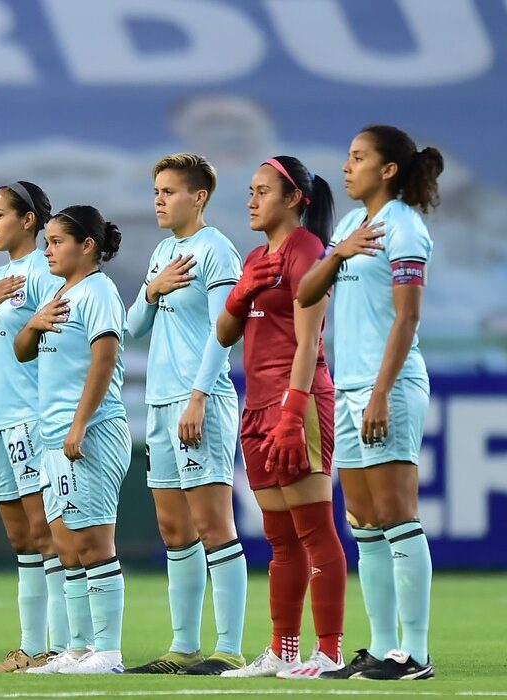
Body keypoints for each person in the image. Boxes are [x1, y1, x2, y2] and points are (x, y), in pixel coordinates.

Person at [297, 125, 443, 681]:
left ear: (387, 170)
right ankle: (383, 648)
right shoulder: (354, 225)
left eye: (357, 158)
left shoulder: (405, 228)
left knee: (396, 516)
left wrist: (381, 391)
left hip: (390, 387)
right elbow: (306, 291)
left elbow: (407, 317)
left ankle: (415, 653)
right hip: (352, 388)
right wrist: (339, 254)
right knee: (364, 523)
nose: (346, 167)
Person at [215, 156, 347, 679]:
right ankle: (283, 650)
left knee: (315, 531)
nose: (251, 199)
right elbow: (227, 333)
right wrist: (244, 289)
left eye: (263, 190)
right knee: (280, 538)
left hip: (299, 401)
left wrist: (294, 410)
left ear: (294, 199)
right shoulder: (255, 256)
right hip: (257, 404)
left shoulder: (307, 250)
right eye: (250, 190)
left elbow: (310, 338)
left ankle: (330, 651)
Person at [125, 153, 247, 676]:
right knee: (175, 530)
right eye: (156, 190)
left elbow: (226, 330)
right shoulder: (161, 253)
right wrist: (152, 288)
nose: (158, 199)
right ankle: (183, 647)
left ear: (198, 197)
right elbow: (132, 327)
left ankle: (230, 648)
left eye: (169, 191)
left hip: (202, 400)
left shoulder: (217, 251)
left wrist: (198, 396)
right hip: (160, 403)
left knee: (214, 525)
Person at [13, 205, 131, 675]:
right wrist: (33, 324)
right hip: (54, 438)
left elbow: (104, 360)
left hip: (90, 433)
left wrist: (80, 424)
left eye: (57, 241)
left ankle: (109, 651)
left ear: (88, 246)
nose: (47, 250)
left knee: (94, 542)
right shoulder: (61, 294)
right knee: (65, 544)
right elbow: (23, 352)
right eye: (46, 243)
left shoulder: (98, 291)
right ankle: (78, 648)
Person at [0, 182, 70, 673]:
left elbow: (60, 346)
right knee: (21, 541)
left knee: (46, 537)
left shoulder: (46, 275)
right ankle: (29, 649)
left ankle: (61, 648)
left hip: (31, 420)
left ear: (28, 220)